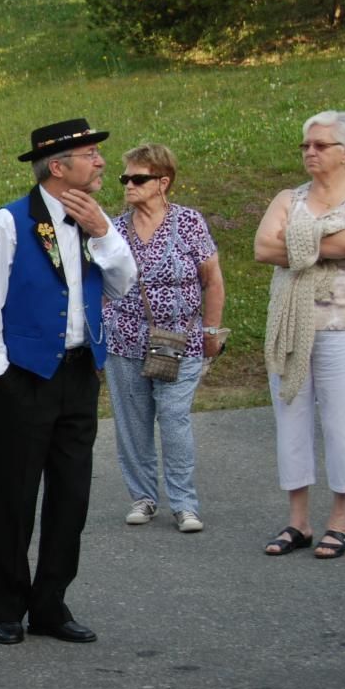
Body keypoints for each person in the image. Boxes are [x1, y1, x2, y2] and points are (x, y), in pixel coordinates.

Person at [0, 118, 137, 648]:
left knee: (71, 496)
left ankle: (51, 603)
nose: (100, 163)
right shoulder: (7, 222)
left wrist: (105, 234)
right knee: (15, 495)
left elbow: (122, 284)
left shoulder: (97, 222)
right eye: (90, 154)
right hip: (24, 375)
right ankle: (7, 606)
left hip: (78, 370)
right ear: (58, 166)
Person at [254, 110, 345, 560]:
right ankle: (298, 521)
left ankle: (339, 521)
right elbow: (260, 247)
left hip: (343, 327)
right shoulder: (289, 198)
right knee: (290, 416)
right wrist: (319, 245)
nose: (310, 152)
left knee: (341, 420)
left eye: (320, 145)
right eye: (306, 146)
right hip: (290, 324)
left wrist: (294, 246)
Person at [103, 143, 226, 534]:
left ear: (163, 182)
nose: (129, 185)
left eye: (138, 178)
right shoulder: (115, 228)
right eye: (125, 178)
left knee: (173, 420)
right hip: (124, 341)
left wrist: (210, 331)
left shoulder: (189, 223)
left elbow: (213, 280)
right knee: (133, 423)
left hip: (179, 341)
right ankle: (143, 497)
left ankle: (184, 503)